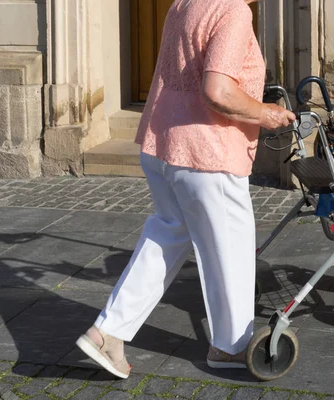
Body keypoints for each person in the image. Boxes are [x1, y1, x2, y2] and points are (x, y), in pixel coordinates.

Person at [76, 0, 295, 379]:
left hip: (163, 144)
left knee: (166, 236)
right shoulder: (234, 12)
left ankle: (106, 334)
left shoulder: (183, 3)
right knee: (230, 250)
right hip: (207, 154)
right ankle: (230, 347)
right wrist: (265, 113)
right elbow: (218, 90)